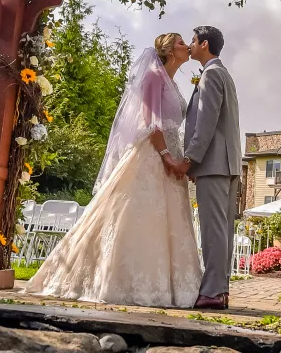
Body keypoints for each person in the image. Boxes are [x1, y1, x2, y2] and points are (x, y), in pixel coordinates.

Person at [22, 33, 202, 307]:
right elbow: (150, 123)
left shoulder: (172, 81)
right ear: (167, 49)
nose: (186, 46)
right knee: (137, 216)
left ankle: (171, 285)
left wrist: (180, 159)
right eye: (180, 42)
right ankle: (124, 281)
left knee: (168, 221)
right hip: (153, 155)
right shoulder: (153, 75)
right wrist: (167, 158)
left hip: (172, 154)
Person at [163, 26, 241, 310]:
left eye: (192, 41)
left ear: (204, 44)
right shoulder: (221, 73)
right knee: (220, 230)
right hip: (224, 163)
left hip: (215, 164)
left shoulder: (212, 74)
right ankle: (219, 290)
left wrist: (188, 160)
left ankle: (214, 292)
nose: (190, 45)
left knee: (214, 231)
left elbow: (206, 124)